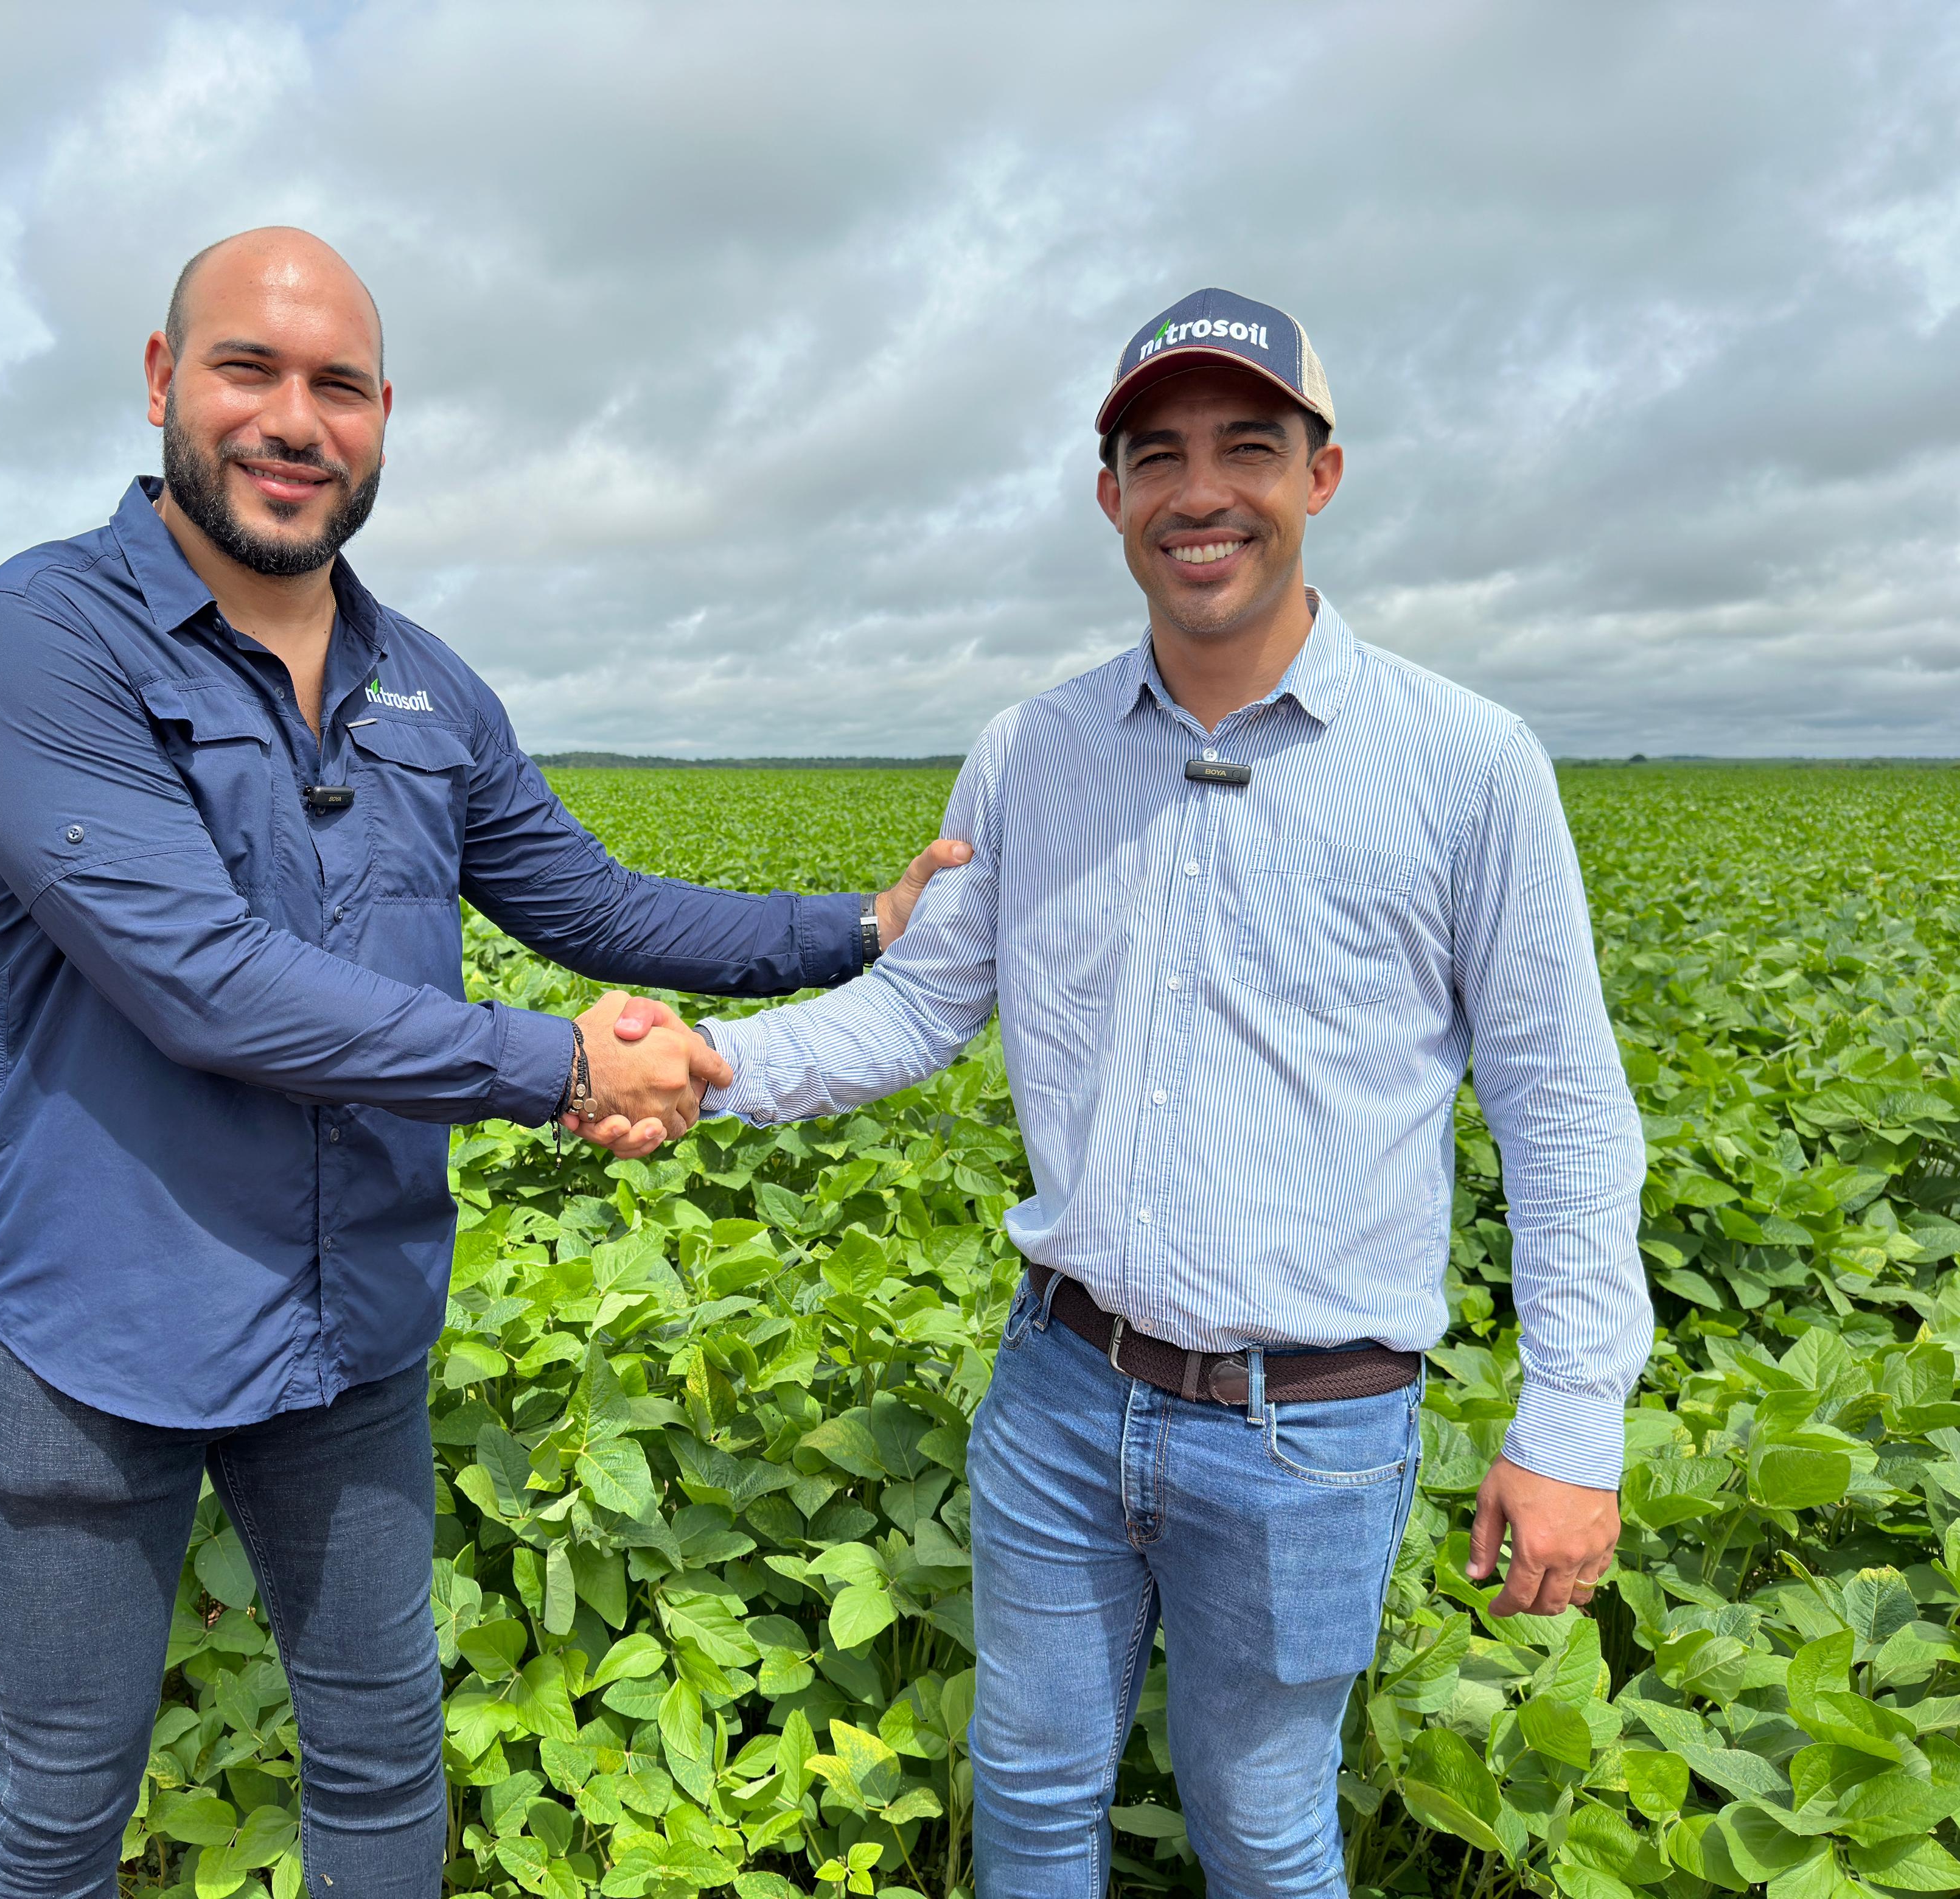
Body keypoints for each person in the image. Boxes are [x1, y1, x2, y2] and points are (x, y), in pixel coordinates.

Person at [0, 225, 967, 1899]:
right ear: (158, 382)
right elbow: (207, 983)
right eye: (248, 370)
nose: (294, 419)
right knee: (60, 1801)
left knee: (379, 1748)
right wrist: (560, 1064)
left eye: (337, 385)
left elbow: (593, 902)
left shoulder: (428, 688)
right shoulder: (38, 639)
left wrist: (857, 928)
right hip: (96, 1330)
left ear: (386, 416)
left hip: (351, 1327)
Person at [601, 288, 1650, 1898]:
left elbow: (1564, 1109)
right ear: (1111, 497)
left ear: (1323, 474)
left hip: (1310, 1428)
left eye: (1248, 445)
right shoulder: (1033, 751)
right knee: (1023, 1798)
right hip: (1061, 1393)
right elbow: (915, 1006)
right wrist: (711, 1061)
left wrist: (1575, 1423)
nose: (1200, 491)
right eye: (1156, 455)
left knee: (1265, 1826)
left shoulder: (1467, 766)